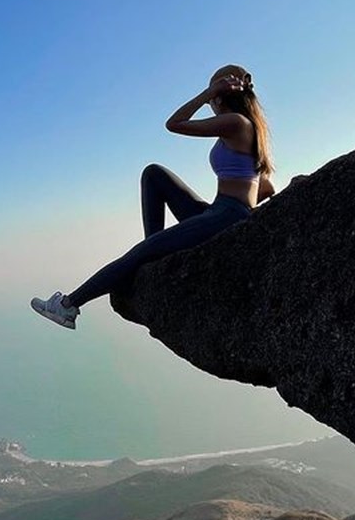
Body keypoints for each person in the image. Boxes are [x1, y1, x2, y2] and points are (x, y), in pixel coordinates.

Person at [30, 64, 275, 330]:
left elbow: (175, 124)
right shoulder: (249, 128)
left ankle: (68, 306)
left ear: (219, 96)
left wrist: (206, 93)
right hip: (220, 211)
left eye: (212, 99)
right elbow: (266, 188)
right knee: (154, 174)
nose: (210, 105)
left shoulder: (236, 122)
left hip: (226, 215)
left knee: (140, 253)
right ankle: (155, 248)